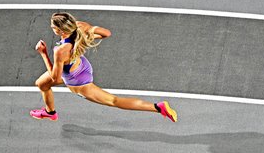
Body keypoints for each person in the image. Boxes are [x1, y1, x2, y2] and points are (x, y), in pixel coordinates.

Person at [31, 12, 177, 122]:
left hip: (78, 81)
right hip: (81, 65)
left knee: (114, 101)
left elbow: (55, 77)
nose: (51, 28)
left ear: (60, 31)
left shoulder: (60, 51)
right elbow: (106, 33)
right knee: (41, 84)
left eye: (53, 27)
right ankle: (50, 112)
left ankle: (158, 107)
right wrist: (90, 33)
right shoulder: (80, 27)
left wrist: (43, 53)